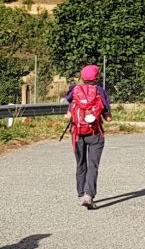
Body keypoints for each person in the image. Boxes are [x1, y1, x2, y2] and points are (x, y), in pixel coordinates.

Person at [64, 64, 110, 209]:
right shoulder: (100, 91)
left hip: (77, 133)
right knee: (93, 165)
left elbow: (69, 113)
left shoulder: (74, 90)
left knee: (80, 163)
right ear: (97, 77)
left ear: (82, 76)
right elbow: (108, 117)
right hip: (95, 133)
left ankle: (81, 193)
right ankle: (88, 195)